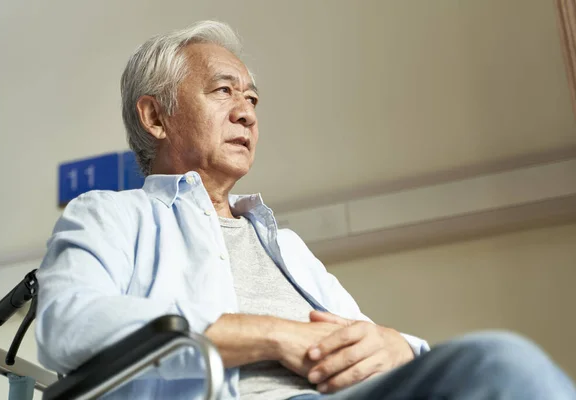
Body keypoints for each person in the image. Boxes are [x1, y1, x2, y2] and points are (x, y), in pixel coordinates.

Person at [35, 20, 576, 400]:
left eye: (252, 99)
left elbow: (359, 339)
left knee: (491, 372)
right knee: (502, 361)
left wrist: (400, 347)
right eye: (224, 91)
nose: (246, 113)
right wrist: (268, 334)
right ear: (155, 117)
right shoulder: (109, 215)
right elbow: (69, 324)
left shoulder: (284, 245)